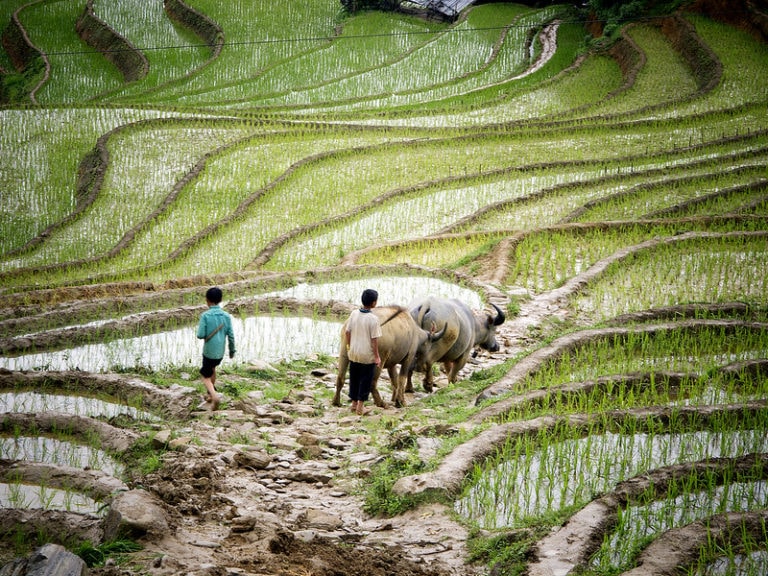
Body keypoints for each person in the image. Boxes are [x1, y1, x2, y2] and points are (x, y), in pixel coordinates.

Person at [196, 286, 236, 410]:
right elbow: (231, 335)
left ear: (207, 300)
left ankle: (214, 396)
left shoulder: (205, 316)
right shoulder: (226, 316)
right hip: (220, 352)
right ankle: (209, 394)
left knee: (205, 375)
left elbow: (200, 335)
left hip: (209, 352)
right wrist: (232, 350)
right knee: (212, 369)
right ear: (220, 299)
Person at [344, 288, 382, 416]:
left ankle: (354, 404)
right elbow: (374, 341)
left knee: (354, 378)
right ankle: (360, 407)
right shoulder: (373, 319)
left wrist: (349, 346)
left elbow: (347, 332)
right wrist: (377, 357)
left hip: (354, 352)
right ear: (374, 303)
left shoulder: (354, 313)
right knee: (365, 380)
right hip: (367, 356)